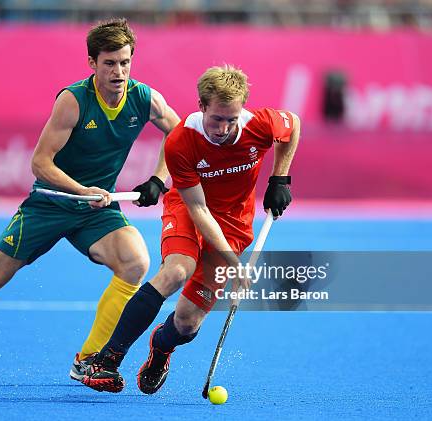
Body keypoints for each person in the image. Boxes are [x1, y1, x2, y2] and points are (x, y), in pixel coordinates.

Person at [0, 18, 180, 383]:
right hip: (49, 205)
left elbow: (178, 136)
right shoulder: (74, 101)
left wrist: (158, 179)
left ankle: (88, 360)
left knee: (135, 263)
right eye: (109, 63)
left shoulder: (145, 98)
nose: (118, 72)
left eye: (125, 62)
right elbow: (39, 163)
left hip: (95, 212)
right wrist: (82, 191)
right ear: (92, 63)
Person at [81, 64, 300, 393]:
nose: (224, 128)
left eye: (232, 118)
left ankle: (162, 347)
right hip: (188, 209)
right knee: (177, 271)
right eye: (217, 119)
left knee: (187, 323)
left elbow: (292, 125)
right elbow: (197, 208)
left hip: (235, 224)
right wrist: (233, 262)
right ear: (201, 107)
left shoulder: (260, 124)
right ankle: (107, 359)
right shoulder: (182, 141)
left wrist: (280, 178)